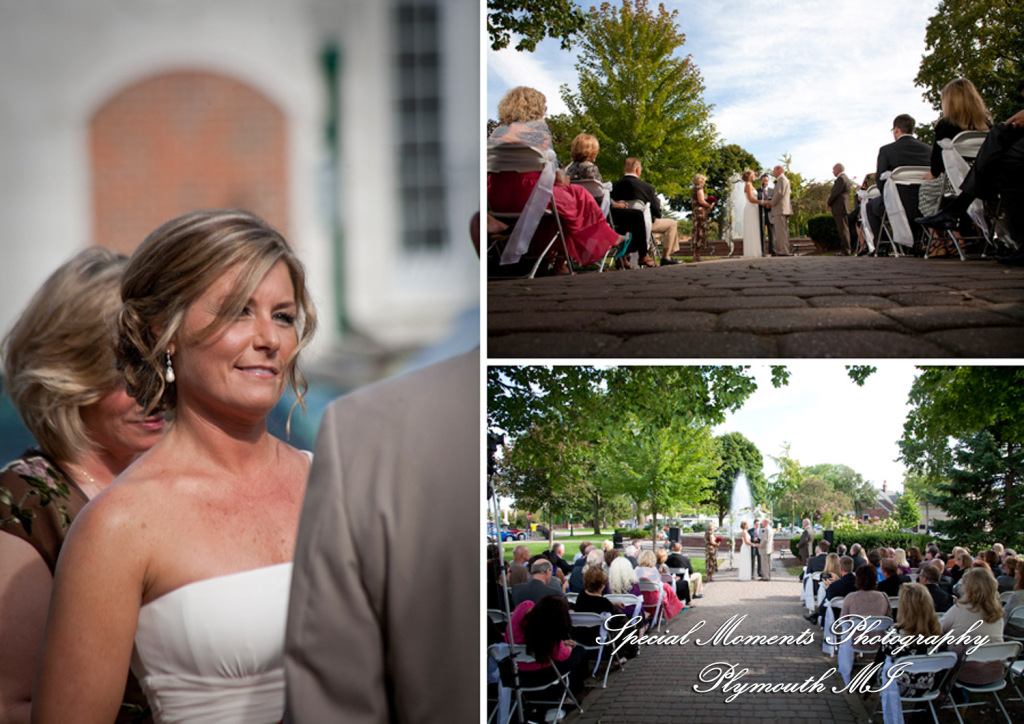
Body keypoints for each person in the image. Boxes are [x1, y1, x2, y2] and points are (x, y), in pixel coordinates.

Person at [33, 209, 318, 724]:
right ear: (165, 331)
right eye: (237, 311)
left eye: (282, 315)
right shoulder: (118, 525)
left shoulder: (335, 483)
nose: (269, 339)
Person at [0, 249, 165, 724]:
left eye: (162, 364)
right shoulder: (27, 505)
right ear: (69, 375)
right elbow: (11, 705)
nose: (154, 391)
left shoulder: (173, 477)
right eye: (127, 370)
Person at [487, 87, 623, 274]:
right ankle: (603, 241)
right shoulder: (539, 132)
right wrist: (562, 180)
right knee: (576, 197)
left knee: (561, 208)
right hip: (531, 194)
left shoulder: (496, 133)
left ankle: (550, 262)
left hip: (496, 197)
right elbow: (555, 174)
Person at [865, 114, 931, 247]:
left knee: (870, 206)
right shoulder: (929, 150)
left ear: (896, 129)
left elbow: (880, 181)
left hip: (898, 204)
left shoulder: (887, 150)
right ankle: (917, 242)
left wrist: (888, 198)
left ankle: (882, 246)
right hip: (927, 202)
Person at [872, 583, 947, 700]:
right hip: (927, 685)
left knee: (884, 661)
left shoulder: (894, 633)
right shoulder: (936, 630)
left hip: (897, 687)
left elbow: (880, 660)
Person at [940, 568, 1005, 688]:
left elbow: (937, 631)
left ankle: (944, 695)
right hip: (994, 672)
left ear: (968, 587)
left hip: (963, 673)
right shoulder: (998, 613)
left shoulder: (960, 609)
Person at [611, 158, 680, 266]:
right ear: (638, 170)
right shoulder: (647, 187)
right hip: (642, 225)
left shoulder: (613, 186)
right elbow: (657, 211)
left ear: (624, 169)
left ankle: (624, 256)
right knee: (672, 224)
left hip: (619, 225)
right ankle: (666, 257)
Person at [827, 164, 854, 255]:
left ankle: (846, 250)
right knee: (843, 229)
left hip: (840, 207)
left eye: (833, 169)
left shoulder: (841, 179)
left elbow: (835, 193)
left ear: (838, 169)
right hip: (842, 207)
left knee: (842, 229)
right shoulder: (844, 178)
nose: (832, 172)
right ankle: (845, 249)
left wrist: (829, 202)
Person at [767, 165, 793, 255]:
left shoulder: (781, 179)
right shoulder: (783, 179)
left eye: (774, 171)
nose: (773, 173)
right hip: (782, 209)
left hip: (780, 209)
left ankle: (783, 251)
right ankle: (784, 250)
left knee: (780, 232)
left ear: (779, 170)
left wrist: (771, 203)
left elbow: (779, 193)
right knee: (783, 232)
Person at [690, 173, 715, 261]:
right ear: (700, 181)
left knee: (696, 231)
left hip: (695, 213)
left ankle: (695, 254)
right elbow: (701, 201)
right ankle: (697, 255)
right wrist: (709, 205)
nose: (704, 182)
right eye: (703, 180)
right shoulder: (699, 189)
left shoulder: (693, 189)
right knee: (699, 233)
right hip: (700, 213)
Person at [740, 170, 763, 258]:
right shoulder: (748, 185)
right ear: (749, 176)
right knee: (751, 228)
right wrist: (762, 202)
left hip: (754, 208)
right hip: (750, 208)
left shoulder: (750, 185)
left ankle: (755, 251)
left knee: (755, 229)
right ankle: (751, 252)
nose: (755, 176)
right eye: (753, 175)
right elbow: (750, 199)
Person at [757, 173, 775, 255]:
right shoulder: (757, 191)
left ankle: (773, 251)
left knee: (772, 233)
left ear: (768, 182)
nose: (765, 182)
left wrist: (770, 204)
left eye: (767, 181)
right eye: (764, 180)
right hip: (761, 214)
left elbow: (775, 201)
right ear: (761, 181)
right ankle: (762, 251)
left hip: (770, 214)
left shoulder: (772, 190)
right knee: (762, 233)